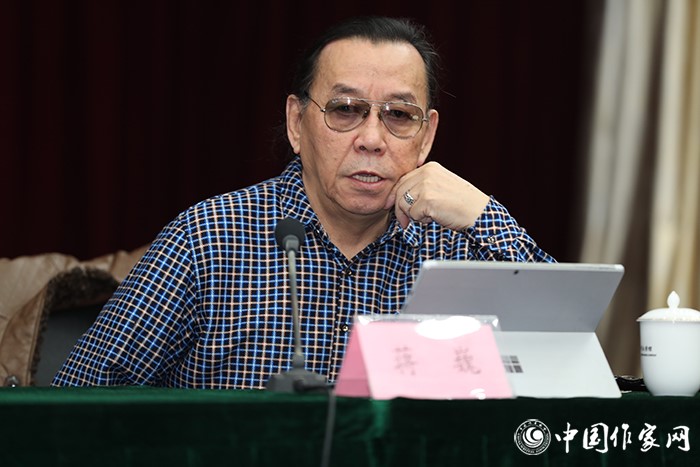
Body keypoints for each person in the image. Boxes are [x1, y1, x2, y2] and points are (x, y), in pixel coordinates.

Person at [52, 16, 554, 389]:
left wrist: (484, 215)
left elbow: (560, 350)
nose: (372, 139)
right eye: (346, 110)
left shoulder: (458, 246)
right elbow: (77, 401)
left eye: (399, 116)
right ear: (297, 123)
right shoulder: (210, 238)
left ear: (426, 136)